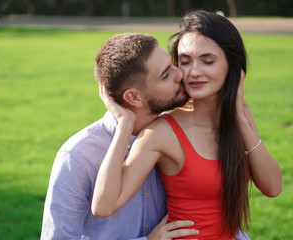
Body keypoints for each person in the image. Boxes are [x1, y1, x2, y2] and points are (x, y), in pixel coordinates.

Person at [91, 10, 282, 240]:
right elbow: (103, 205)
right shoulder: (162, 133)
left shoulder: (241, 115)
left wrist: (241, 120)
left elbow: (273, 187)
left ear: (232, 65)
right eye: (184, 61)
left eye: (208, 61)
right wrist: (124, 124)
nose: (194, 72)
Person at [41, 33, 200, 240]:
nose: (180, 73)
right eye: (165, 75)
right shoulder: (77, 156)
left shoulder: (182, 133)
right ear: (133, 97)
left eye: (172, 65)